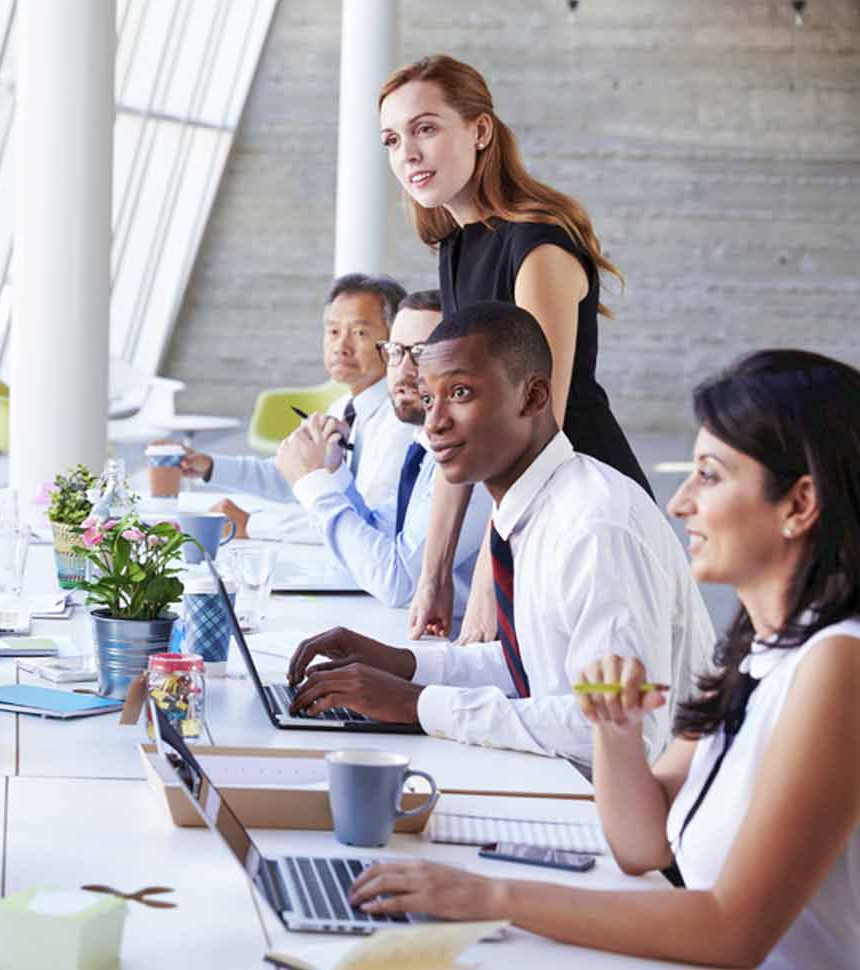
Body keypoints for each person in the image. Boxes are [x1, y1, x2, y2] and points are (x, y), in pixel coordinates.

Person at [347, 350, 860, 970]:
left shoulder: (837, 666)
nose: (680, 503)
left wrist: (488, 896)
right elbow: (641, 845)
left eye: (710, 475)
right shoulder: (760, 649)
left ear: (800, 505)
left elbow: (733, 930)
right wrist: (615, 733)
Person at [285, 302, 712, 768]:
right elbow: (535, 664)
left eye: (461, 392)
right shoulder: (535, 507)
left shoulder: (594, 524)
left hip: (635, 816)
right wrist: (403, 665)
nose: (434, 422)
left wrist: (418, 704)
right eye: (429, 399)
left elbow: (617, 724)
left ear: (532, 398)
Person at [378, 54, 651, 642]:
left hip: (587, 507)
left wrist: (486, 575)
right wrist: (433, 576)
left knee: (587, 713)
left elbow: (538, 421)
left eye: (426, 128)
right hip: (528, 509)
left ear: (479, 131)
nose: (408, 154)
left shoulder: (539, 245)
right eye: (393, 139)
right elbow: (451, 424)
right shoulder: (456, 249)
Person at [269, 290, 489, 618]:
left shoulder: (474, 459)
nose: (404, 368)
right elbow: (381, 531)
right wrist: (333, 472)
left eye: (422, 352)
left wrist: (312, 485)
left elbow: (396, 582)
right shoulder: (423, 448)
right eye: (396, 351)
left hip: (465, 650)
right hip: (412, 632)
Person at [183, 273, 414, 537]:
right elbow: (299, 477)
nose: (341, 346)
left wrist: (252, 525)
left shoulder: (401, 421)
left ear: (394, 341)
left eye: (359, 332)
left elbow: (363, 525)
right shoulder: (344, 408)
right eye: (334, 331)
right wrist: (210, 466)